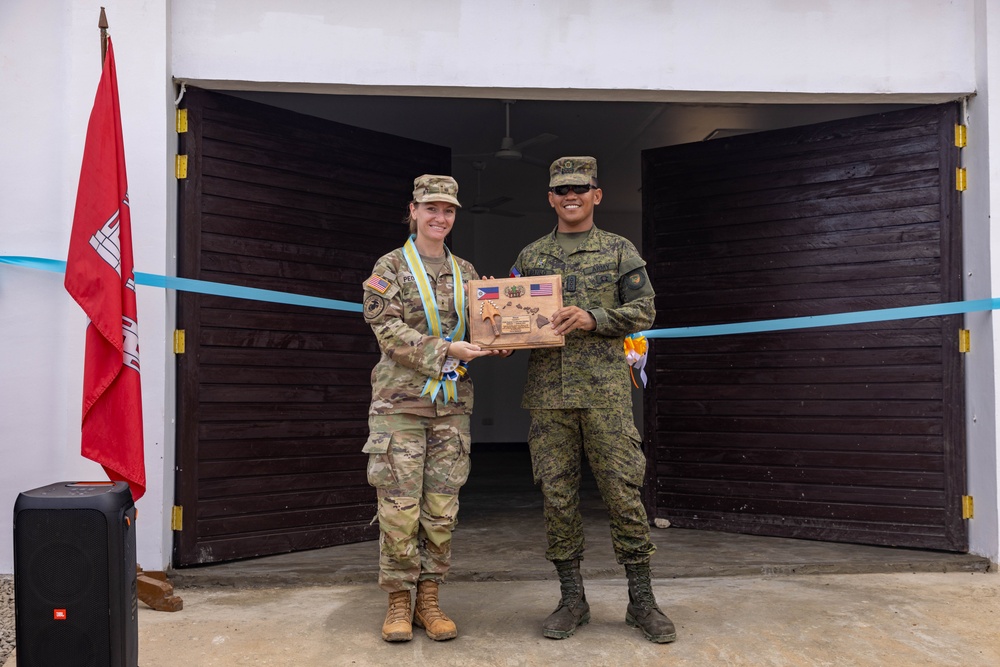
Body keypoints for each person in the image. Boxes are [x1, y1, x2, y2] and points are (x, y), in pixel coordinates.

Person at [510, 156, 676, 644]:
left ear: (596, 195)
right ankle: (571, 600)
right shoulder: (532, 255)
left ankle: (641, 601)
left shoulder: (620, 250)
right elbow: (508, 311)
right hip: (548, 396)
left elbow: (645, 310)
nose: (571, 196)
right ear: (550, 198)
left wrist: (595, 318)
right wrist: (497, 334)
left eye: (580, 188)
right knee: (557, 496)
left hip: (604, 393)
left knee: (624, 493)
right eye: (561, 190)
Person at [361, 174, 500, 643]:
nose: (440, 217)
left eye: (449, 210)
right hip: (400, 405)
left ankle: (430, 599)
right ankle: (398, 602)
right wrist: (447, 350)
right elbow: (390, 332)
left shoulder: (467, 272)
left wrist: (497, 344)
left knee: (441, 509)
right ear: (414, 211)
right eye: (432, 208)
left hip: (451, 407)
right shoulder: (391, 266)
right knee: (400, 508)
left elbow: (485, 327)